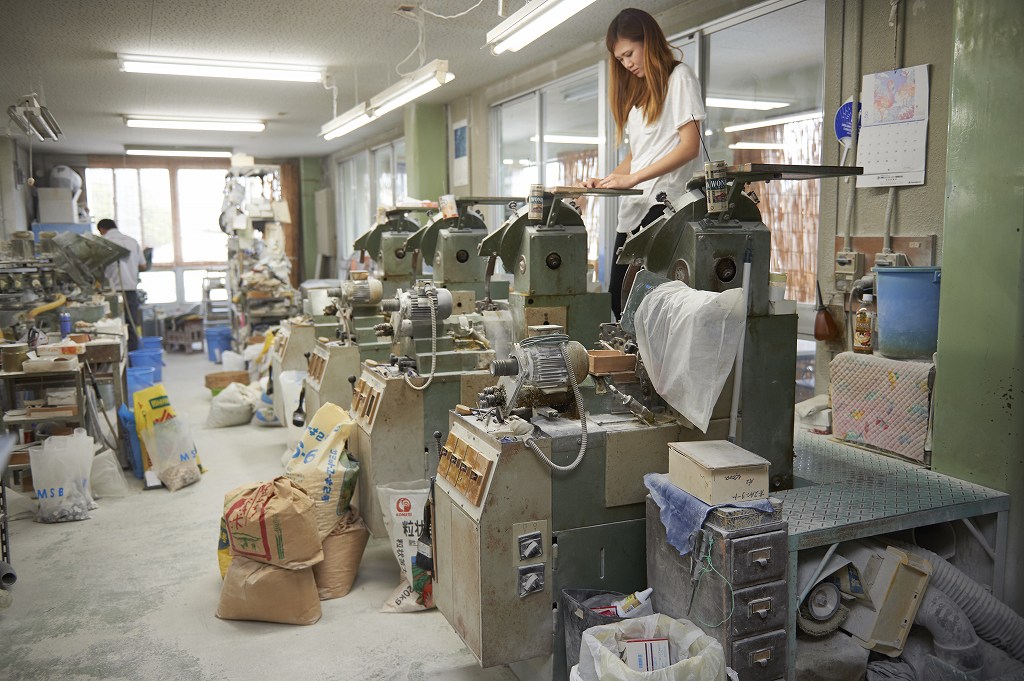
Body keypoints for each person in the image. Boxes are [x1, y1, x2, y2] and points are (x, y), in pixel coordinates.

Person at [581, 8, 707, 319]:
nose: (627, 64)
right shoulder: (640, 95)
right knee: (618, 302)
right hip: (634, 208)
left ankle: (649, 367)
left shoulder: (680, 78)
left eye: (629, 54)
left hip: (662, 206)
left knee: (643, 308)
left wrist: (634, 178)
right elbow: (637, 154)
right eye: (620, 60)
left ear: (647, 41)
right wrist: (609, 179)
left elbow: (690, 146)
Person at [97, 218, 148, 351]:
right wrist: (131, 269)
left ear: (102, 229)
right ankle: (133, 359)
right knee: (132, 325)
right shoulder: (132, 241)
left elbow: (97, 267)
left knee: (113, 327)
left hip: (112, 293)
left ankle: (119, 358)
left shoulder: (102, 242)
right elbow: (143, 265)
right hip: (131, 290)